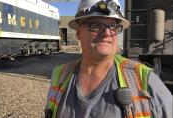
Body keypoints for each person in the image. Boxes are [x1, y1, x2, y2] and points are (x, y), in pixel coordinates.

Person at [45, 0, 173, 118]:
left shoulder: (145, 80)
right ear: (79, 32)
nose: (107, 33)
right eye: (96, 26)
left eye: (113, 27)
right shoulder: (59, 75)